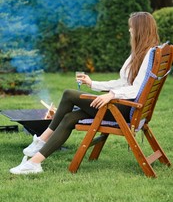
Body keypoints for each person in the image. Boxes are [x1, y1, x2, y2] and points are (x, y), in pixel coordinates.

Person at [10, 12, 160, 174]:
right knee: (70, 117)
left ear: (140, 30)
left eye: (131, 28)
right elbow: (123, 82)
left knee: (69, 94)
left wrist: (111, 95)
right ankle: (34, 163)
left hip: (123, 110)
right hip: (124, 106)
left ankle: (41, 140)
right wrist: (92, 83)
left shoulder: (149, 55)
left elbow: (138, 88)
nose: (129, 31)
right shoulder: (143, 53)